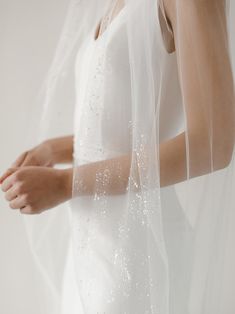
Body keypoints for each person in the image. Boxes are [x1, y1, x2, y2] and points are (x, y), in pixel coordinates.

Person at [1, 0, 235, 312]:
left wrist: (65, 183)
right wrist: (54, 149)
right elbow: (119, 130)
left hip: (139, 256)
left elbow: (213, 144)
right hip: (88, 249)